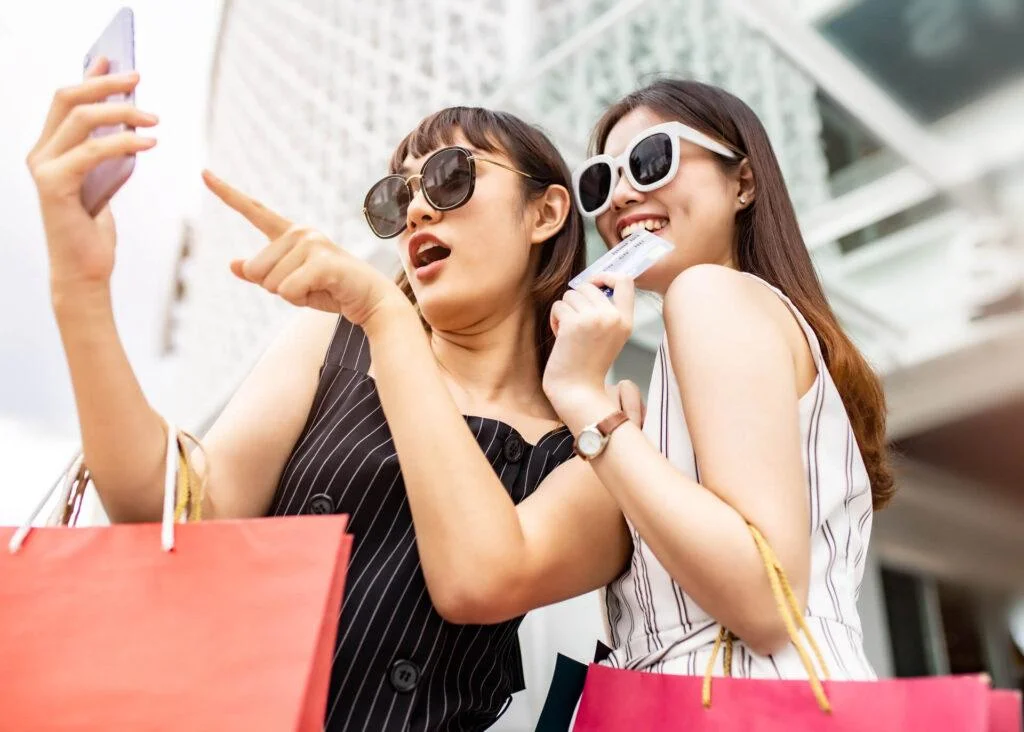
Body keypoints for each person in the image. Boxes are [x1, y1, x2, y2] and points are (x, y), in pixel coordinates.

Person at [26, 57, 640, 730]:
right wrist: (80, 289)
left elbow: (478, 582)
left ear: (547, 212)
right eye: (393, 197)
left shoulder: (593, 438)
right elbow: (173, 509)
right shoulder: (331, 342)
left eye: (450, 177)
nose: (415, 210)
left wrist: (385, 316)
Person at [540, 78, 894, 680]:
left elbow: (763, 598)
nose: (621, 194)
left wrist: (584, 403)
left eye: (652, 160)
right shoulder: (740, 321)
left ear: (743, 182)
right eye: (600, 180)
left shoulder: (707, 294)